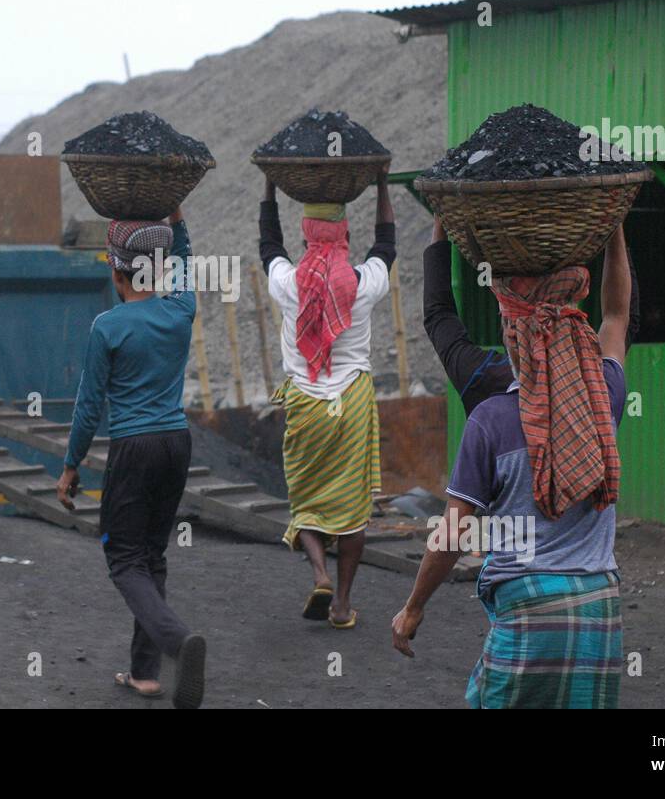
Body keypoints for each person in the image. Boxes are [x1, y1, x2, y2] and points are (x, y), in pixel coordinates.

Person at [394, 224, 633, 708]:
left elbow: (451, 534)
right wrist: (614, 229)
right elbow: (616, 314)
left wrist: (412, 609)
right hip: (599, 612)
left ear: (514, 334)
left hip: (528, 610)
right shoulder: (603, 397)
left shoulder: (491, 418)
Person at [57, 209, 207, 710]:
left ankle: (176, 642)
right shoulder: (180, 309)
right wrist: (178, 221)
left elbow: (88, 405)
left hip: (134, 448)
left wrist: (71, 464)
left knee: (123, 560)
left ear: (116, 274)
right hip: (176, 443)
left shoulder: (108, 327)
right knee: (152, 555)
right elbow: (186, 260)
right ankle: (144, 674)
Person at [260, 171, 395, 629]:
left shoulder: (288, 283)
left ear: (306, 234)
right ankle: (341, 604)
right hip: (353, 403)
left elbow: (268, 247)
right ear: (344, 234)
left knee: (306, 497)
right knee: (353, 505)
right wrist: (380, 185)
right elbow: (387, 244)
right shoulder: (363, 281)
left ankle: (318, 571)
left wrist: (268, 187)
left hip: (306, 403)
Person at [421, 214, 641, 415]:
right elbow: (618, 316)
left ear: (509, 328)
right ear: (567, 318)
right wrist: (615, 218)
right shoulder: (599, 386)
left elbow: (438, 314)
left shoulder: (485, 387)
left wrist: (441, 221)